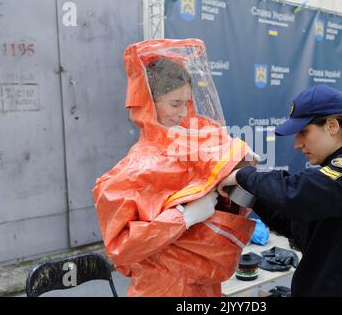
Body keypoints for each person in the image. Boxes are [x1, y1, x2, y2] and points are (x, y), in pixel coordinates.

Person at [93, 39, 256, 296]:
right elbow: (120, 247)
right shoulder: (134, 170)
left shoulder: (194, 150)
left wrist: (237, 166)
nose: (182, 113)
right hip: (163, 287)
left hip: (204, 283)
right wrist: (183, 217)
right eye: (174, 104)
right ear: (149, 102)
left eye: (187, 103)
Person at [217, 84, 342, 297]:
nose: (297, 144)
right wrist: (248, 195)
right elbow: (295, 224)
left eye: (303, 132)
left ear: (332, 126)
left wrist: (243, 175)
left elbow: (296, 194)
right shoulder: (341, 180)